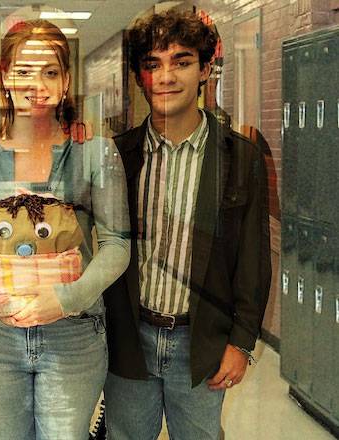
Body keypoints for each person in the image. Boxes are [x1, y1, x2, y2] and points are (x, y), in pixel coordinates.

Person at [0, 18, 130, 440]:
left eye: (49, 72)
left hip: (74, 335)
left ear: (65, 81)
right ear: (4, 77)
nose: (36, 84)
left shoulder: (94, 153)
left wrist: (66, 299)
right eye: (24, 71)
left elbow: (117, 243)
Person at [103, 9, 271, 440]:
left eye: (181, 61)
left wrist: (242, 343)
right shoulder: (117, 156)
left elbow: (253, 262)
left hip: (200, 344)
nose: (166, 76)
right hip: (129, 340)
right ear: (142, 76)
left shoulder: (239, 158)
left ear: (205, 69)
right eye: (153, 64)